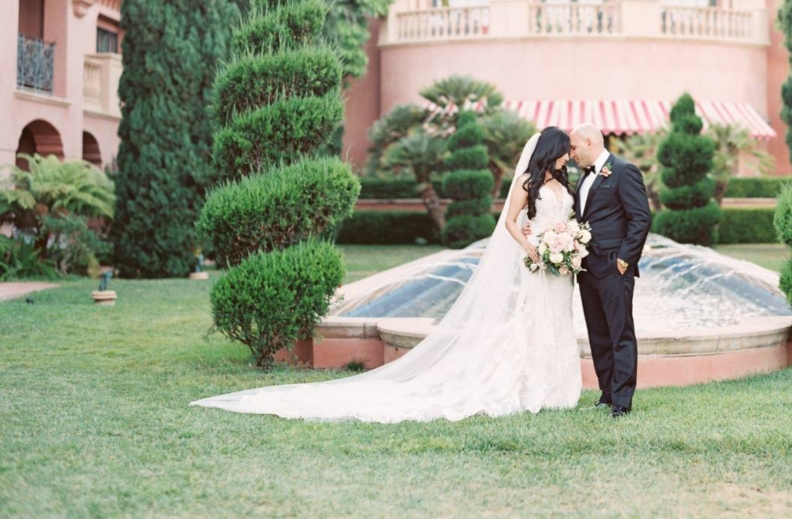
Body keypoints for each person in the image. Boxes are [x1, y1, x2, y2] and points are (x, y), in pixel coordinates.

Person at [191, 129, 582, 423]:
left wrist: (567, 241)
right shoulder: (526, 183)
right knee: (534, 319)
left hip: (560, 267)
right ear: (551, 150)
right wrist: (531, 247)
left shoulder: (564, 184)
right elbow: (510, 223)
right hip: (536, 263)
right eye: (565, 151)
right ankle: (532, 383)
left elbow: (565, 218)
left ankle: (558, 385)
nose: (569, 157)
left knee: (558, 319)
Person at [568, 123, 653, 417]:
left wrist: (624, 259)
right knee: (598, 334)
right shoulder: (582, 178)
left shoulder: (624, 171)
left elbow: (640, 218)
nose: (571, 154)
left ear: (590, 142)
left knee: (620, 333)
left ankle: (622, 400)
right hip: (587, 268)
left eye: (574, 147)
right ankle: (606, 392)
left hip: (614, 267)